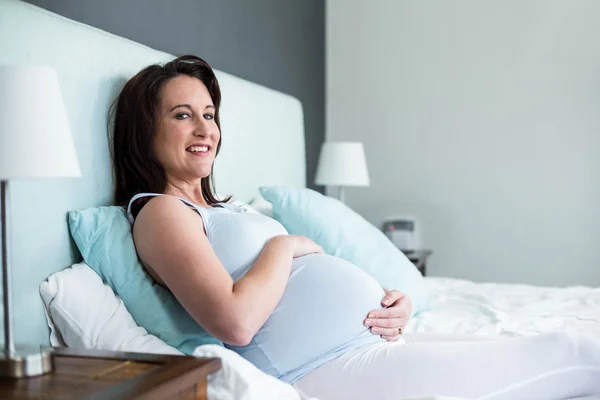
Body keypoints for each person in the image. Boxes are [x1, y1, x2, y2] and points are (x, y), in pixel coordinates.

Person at [110, 55, 600, 400]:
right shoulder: (160, 212)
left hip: (369, 344)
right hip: (328, 369)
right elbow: (235, 322)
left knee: (566, 344)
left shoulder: (225, 207)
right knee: (572, 352)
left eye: (210, 115)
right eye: (182, 115)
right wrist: (282, 245)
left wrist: (392, 302)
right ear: (145, 129)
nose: (205, 129)